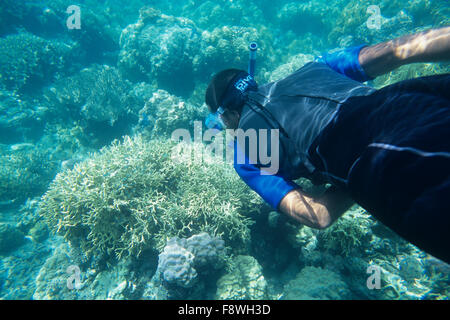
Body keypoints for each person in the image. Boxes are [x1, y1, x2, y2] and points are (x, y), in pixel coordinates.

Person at [204, 26, 450, 263]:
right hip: (415, 96)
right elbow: (402, 48)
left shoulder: (245, 155)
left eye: (221, 120)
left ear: (226, 115)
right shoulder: (318, 65)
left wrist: (351, 180)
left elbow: (318, 215)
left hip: (382, 158)